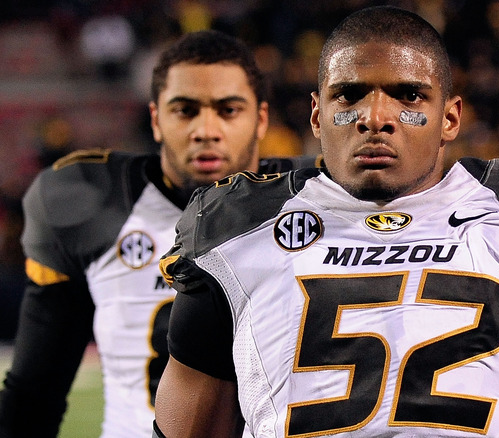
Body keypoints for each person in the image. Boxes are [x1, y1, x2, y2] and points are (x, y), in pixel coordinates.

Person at [154, 7, 499, 438]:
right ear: (317, 116)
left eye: (408, 96)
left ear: (451, 117)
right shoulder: (235, 237)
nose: (375, 116)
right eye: (349, 94)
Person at [0, 30, 315, 438]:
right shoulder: (89, 202)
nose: (205, 129)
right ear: (155, 119)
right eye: (185, 110)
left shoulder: (316, 199)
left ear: (261, 120)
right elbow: (35, 391)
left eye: (228, 110)